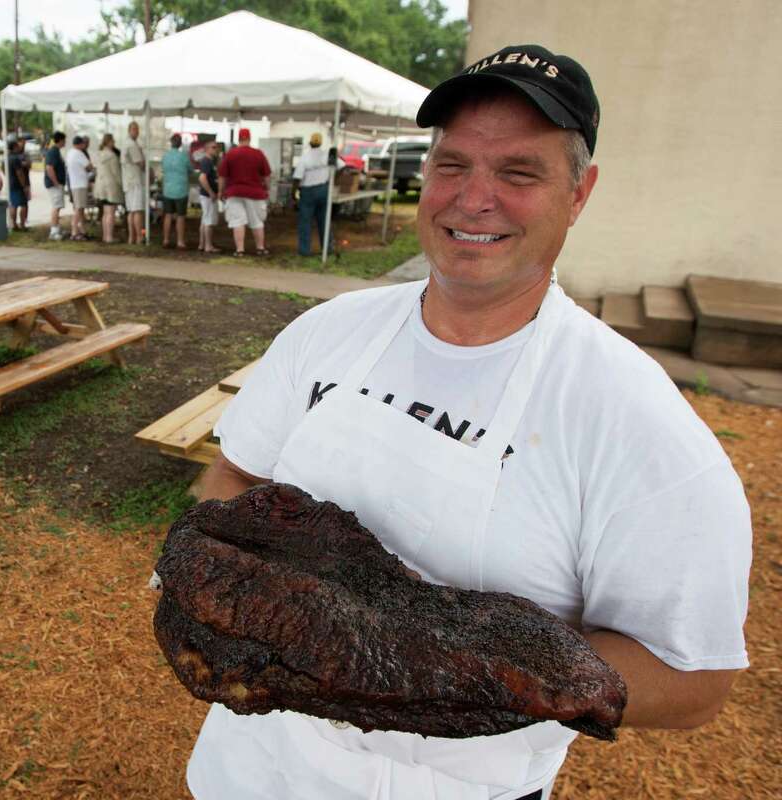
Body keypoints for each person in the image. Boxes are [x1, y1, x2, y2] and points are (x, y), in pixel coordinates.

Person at [183, 45, 750, 800]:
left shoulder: (636, 425)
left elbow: (695, 680)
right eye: (452, 165)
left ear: (579, 194)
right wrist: (243, 599)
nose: (472, 198)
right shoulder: (327, 333)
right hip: (253, 764)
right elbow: (232, 478)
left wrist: (437, 656)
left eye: (518, 173)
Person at [217, 128, 271, 257]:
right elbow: (267, 175)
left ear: (239, 139)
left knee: (238, 221)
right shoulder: (258, 154)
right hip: (255, 192)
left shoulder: (230, 154)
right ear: (249, 138)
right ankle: (260, 248)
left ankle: (240, 250)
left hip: (234, 192)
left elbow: (222, 176)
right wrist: (267, 188)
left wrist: (220, 191)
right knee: (257, 221)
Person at [293, 131, 345, 257]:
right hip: (323, 189)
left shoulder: (305, 158)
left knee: (305, 221)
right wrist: (334, 179)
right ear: (321, 143)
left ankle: (305, 250)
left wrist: (293, 192)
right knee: (324, 220)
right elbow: (342, 166)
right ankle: (327, 248)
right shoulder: (327, 155)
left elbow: (297, 178)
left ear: (310, 143)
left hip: (308, 192)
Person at [161, 133, 191, 249]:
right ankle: (180, 241)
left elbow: (163, 169)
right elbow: (190, 170)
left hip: (168, 189)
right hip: (181, 190)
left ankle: (166, 240)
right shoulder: (184, 156)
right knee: (180, 216)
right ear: (180, 143)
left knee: (168, 215)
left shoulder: (165, 156)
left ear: (171, 142)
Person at [92, 133, 124, 243]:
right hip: (110, 187)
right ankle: (110, 237)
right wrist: (122, 185)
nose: (114, 143)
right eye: (113, 141)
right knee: (111, 213)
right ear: (109, 142)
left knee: (105, 213)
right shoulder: (112, 156)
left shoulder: (99, 155)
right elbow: (117, 174)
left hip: (100, 187)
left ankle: (105, 236)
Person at [121, 121, 147, 244]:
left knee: (131, 211)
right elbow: (141, 164)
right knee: (137, 210)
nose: (137, 132)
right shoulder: (132, 145)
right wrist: (142, 154)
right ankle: (139, 237)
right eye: (135, 129)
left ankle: (131, 237)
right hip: (135, 181)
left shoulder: (125, 143)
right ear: (130, 130)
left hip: (128, 181)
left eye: (137, 129)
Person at [65, 135, 94, 241]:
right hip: (80, 184)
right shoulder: (79, 153)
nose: (84, 145)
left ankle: (82, 230)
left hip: (74, 184)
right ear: (79, 144)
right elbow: (89, 166)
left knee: (80, 208)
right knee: (79, 208)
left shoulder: (70, 153)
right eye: (83, 143)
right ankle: (74, 231)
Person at [195, 140, 221, 253]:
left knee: (205, 220)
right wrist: (210, 192)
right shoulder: (206, 161)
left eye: (217, 147)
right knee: (209, 221)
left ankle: (202, 244)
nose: (216, 149)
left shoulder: (211, 162)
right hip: (208, 196)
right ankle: (208, 245)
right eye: (213, 147)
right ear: (207, 149)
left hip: (207, 195)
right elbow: (202, 178)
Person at [43, 131, 67, 240]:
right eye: (64, 140)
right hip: (54, 184)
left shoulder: (56, 151)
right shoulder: (53, 152)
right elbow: (49, 168)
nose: (65, 142)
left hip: (57, 183)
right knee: (56, 206)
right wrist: (56, 182)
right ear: (61, 140)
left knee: (58, 206)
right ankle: (53, 231)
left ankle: (57, 227)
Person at [6, 138, 31, 232]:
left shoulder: (7, 157)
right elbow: (19, 173)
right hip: (18, 184)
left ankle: (13, 224)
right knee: (23, 204)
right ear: (14, 147)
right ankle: (22, 224)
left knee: (13, 205)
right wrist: (24, 185)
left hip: (11, 183)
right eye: (17, 145)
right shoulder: (15, 158)